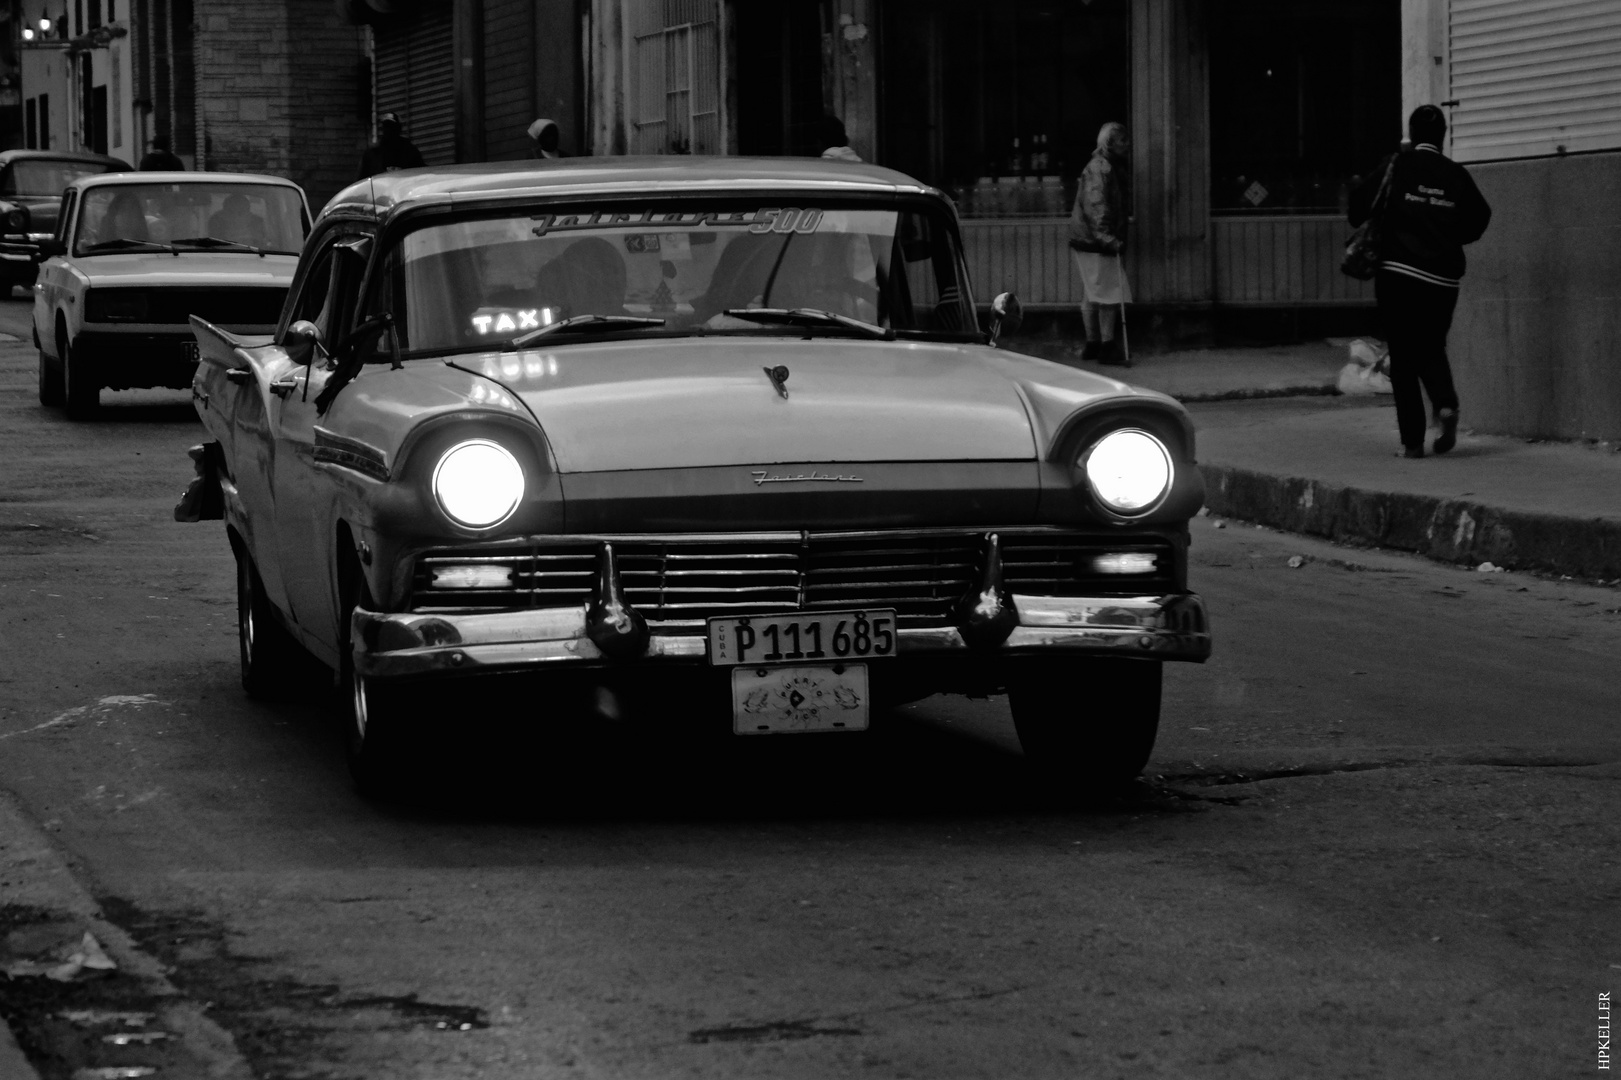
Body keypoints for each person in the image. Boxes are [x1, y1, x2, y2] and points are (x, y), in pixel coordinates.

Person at [1349, 104, 1491, 458]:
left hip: (1398, 274)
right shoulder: (1456, 174)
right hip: (1443, 279)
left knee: (1404, 356)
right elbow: (1479, 218)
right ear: (1443, 136)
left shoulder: (1398, 165)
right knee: (1431, 344)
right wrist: (1446, 234)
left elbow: (1357, 210)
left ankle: (1412, 443)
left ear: (1411, 134)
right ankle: (1445, 404)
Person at [1068, 121, 1131, 364]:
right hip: (1096, 240)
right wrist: (1109, 239)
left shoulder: (1104, 166)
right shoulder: (1102, 168)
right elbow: (1097, 207)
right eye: (1122, 140)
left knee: (1092, 293)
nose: (1127, 145)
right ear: (1110, 143)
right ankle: (1106, 345)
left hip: (1087, 238)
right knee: (1108, 293)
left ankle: (1093, 344)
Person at [357, 112, 425, 180]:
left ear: (398, 129)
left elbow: (420, 174)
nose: (388, 130)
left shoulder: (410, 151)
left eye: (391, 127)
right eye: (386, 126)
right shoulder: (372, 153)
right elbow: (362, 179)